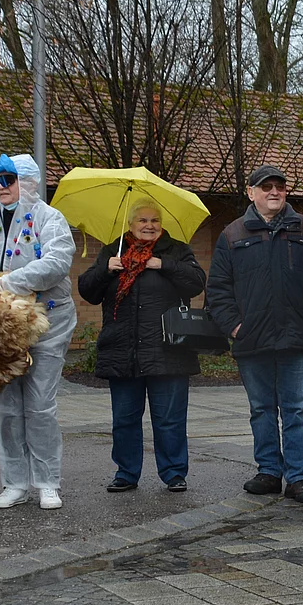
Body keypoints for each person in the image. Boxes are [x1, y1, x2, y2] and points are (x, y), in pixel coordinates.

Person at [206, 165, 303, 503]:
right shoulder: (232, 234)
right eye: (266, 187)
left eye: (279, 186)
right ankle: (268, 471)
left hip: (297, 337)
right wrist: (235, 326)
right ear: (251, 193)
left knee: (297, 410)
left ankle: (298, 478)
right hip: (252, 338)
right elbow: (218, 289)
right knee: (261, 409)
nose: (274, 192)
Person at [0, 153, 77, 511]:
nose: (1, 187)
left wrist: (6, 282)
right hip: (2, 326)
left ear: (27, 182)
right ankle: (14, 482)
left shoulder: (50, 218)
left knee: (39, 403)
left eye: (8, 180)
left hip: (47, 321)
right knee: (8, 405)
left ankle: (47, 481)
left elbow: (56, 263)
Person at [77, 203, 206, 492]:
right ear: (131, 224)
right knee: (124, 419)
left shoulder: (177, 251)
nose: (149, 225)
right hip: (123, 351)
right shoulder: (113, 251)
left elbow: (197, 282)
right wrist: (105, 270)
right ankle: (126, 473)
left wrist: (164, 264)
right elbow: (87, 290)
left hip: (169, 352)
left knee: (170, 419)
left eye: (155, 220)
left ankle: (174, 473)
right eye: (143, 220)